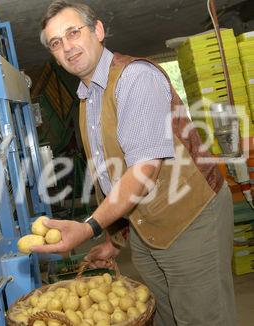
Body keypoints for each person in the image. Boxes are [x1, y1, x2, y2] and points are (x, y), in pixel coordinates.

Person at [31, 1, 236, 325]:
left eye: (73, 32)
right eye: (56, 43)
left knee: (202, 317)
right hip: (145, 228)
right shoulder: (87, 99)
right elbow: (113, 175)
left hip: (191, 219)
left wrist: (89, 229)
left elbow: (143, 171)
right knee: (165, 315)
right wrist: (114, 240)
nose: (67, 47)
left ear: (97, 31)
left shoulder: (135, 78)